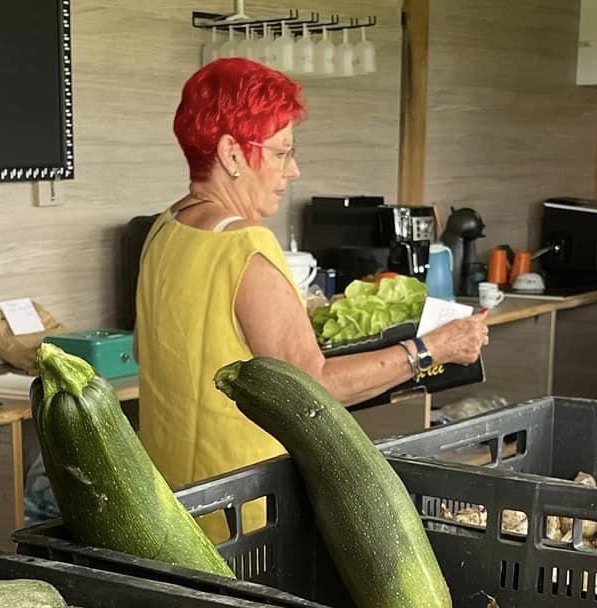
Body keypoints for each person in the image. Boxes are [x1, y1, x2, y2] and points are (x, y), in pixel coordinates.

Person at [135, 58, 488, 501]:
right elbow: (314, 386)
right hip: (244, 500)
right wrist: (430, 348)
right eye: (281, 152)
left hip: (171, 494)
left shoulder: (164, 229)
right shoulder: (245, 248)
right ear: (231, 154)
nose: (293, 170)